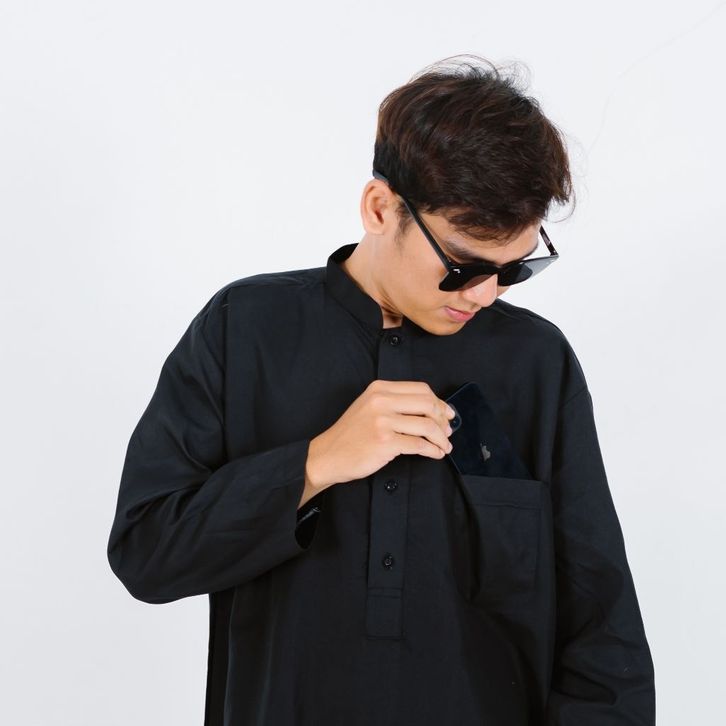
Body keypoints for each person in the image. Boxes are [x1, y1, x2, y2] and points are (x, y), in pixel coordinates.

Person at [107, 54, 655, 725]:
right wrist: (314, 465)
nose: (485, 295)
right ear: (380, 208)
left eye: (515, 269)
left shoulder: (536, 362)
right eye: (463, 266)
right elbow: (147, 554)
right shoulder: (244, 329)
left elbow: (603, 632)